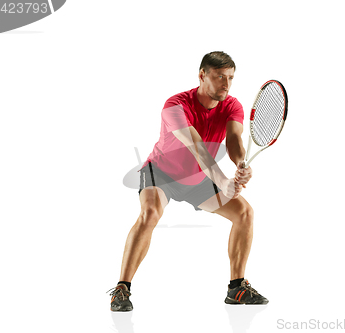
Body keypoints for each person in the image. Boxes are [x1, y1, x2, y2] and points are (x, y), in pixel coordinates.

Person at [108, 51, 268, 311]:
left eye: (230, 78)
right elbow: (197, 147)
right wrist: (223, 179)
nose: (226, 84)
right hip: (162, 173)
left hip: (199, 177)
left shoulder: (232, 105)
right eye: (219, 77)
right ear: (202, 75)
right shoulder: (175, 105)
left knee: (245, 213)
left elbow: (235, 140)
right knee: (150, 214)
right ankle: (121, 289)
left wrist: (239, 165)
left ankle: (236, 288)